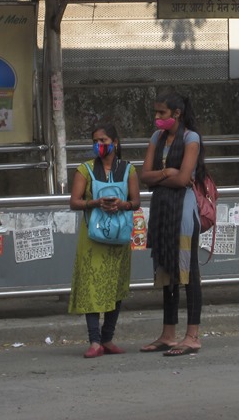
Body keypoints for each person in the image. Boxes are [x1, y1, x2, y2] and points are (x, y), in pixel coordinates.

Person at [138, 92, 206, 357]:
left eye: (161, 113)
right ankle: (168, 334)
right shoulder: (156, 138)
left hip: (184, 211)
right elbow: (144, 176)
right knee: (166, 270)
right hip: (162, 209)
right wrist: (168, 172)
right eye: (155, 113)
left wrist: (161, 178)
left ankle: (192, 335)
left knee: (188, 271)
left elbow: (184, 181)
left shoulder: (191, 139)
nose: (157, 118)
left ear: (176, 114)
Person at [68, 122, 140, 358]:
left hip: (119, 237)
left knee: (116, 286)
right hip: (92, 238)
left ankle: (107, 338)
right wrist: (96, 203)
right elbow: (74, 201)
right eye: (96, 141)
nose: (99, 145)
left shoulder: (128, 169)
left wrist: (123, 205)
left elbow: (136, 202)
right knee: (91, 286)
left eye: (104, 141)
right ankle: (94, 340)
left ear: (115, 143)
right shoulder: (84, 169)